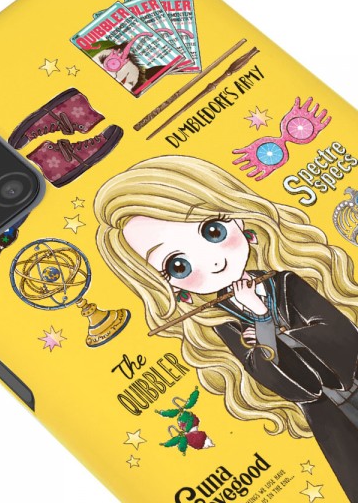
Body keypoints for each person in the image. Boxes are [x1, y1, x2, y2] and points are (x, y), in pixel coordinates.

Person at [94, 154, 358, 501]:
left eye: (213, 231)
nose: (215, 261)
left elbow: (343, 340)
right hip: (334, 424)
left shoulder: (287, 282)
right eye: (178, 265)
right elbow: (291, 385)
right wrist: (263, 321)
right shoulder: (221, 325)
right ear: (167, 285)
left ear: (238, 217)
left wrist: (267, 328)